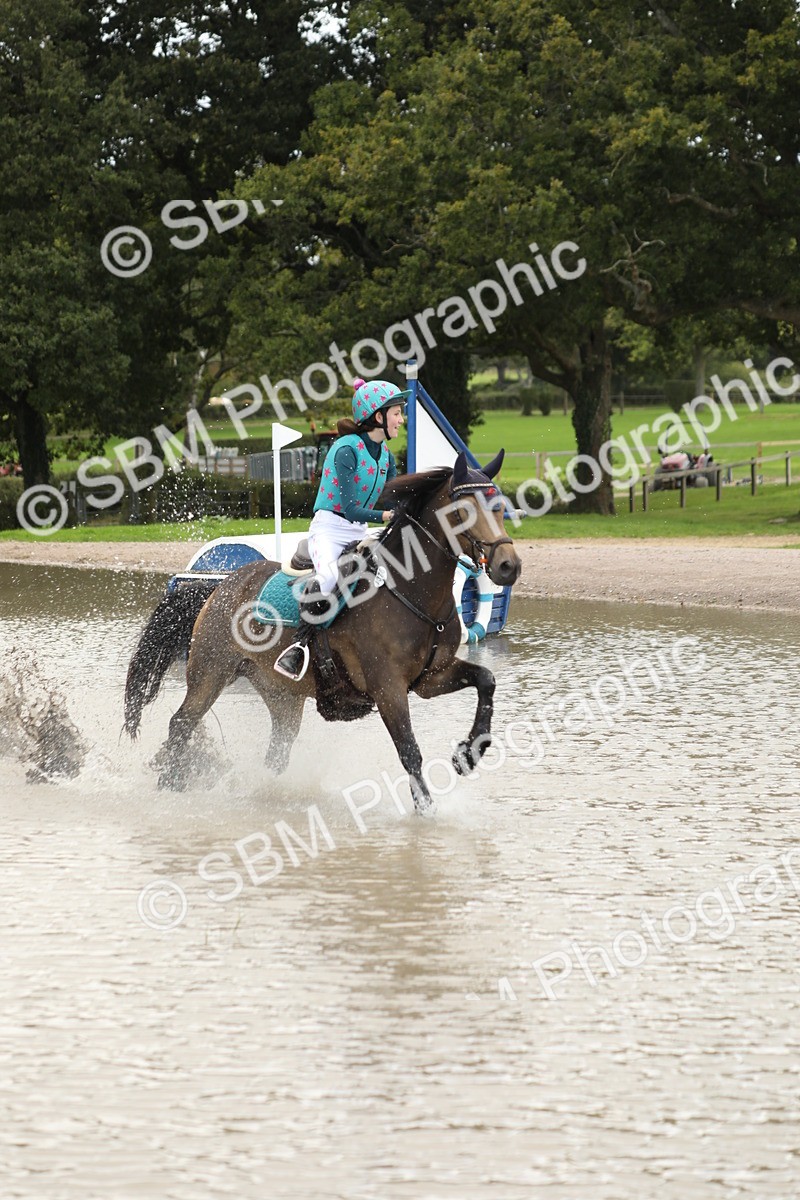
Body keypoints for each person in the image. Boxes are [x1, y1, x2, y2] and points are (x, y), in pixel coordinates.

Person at [273, 376, 407, 680]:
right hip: (330, 528)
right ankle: (298, 647)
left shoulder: (386, 455)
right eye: (397, 412)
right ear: (378, 416)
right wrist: (388, 516)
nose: (401, 419)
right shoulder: (345, 450)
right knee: (331, 575)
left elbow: (395, 496)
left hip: (360, 530)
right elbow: (350, 509)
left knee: (390, 572)